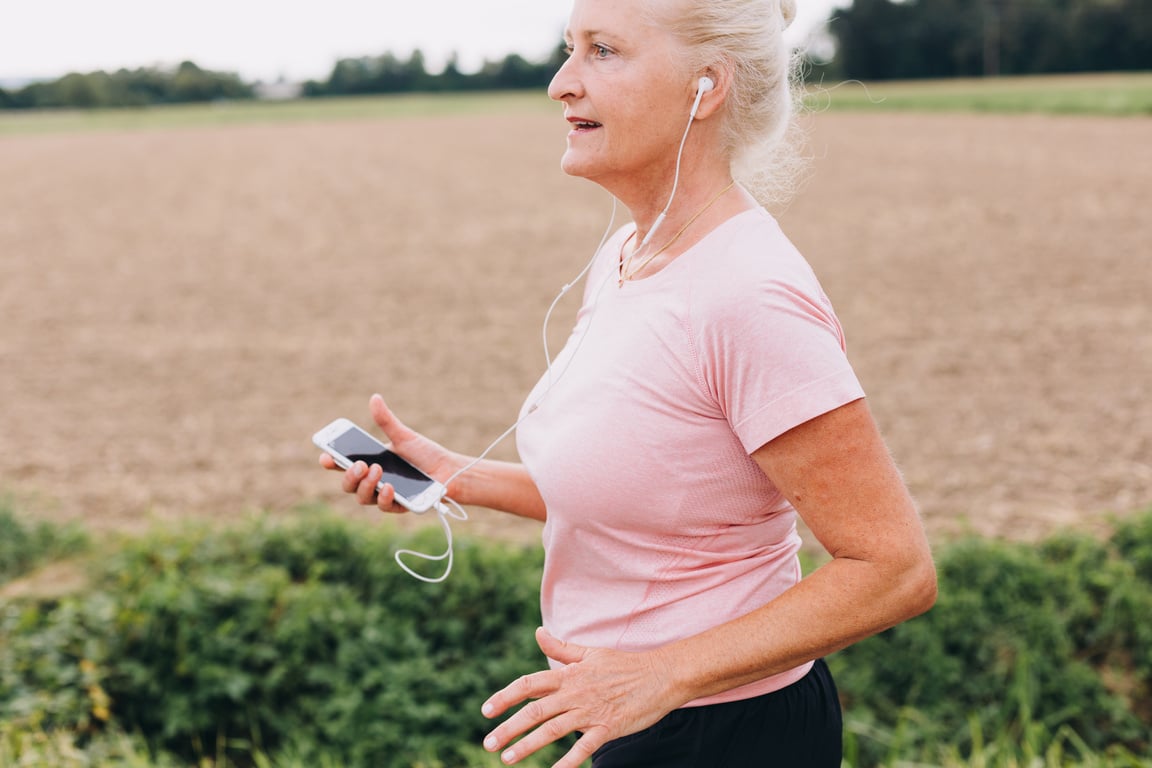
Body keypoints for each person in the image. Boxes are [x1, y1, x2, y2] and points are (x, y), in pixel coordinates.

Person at [320, 0, 938, 765]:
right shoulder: (627, 257)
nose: (560, 83)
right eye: (569, 48)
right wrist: (460, 476)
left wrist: (663, 675)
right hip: (639, 718)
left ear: (706, 87)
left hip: (726, 733)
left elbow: (894, 571)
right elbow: (645, 493)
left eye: (602, 51)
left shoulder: (748, 295)